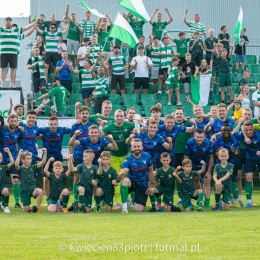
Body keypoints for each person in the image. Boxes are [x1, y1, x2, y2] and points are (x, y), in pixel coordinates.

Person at [101, 110, 135, 209]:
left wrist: (139, 124)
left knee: (127, 177)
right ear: (114, 117)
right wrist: (101, 126)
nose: (119, 118)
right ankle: (117, 202)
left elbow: (139, 129)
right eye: (117, 116)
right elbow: (101, 134)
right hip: (114, 156)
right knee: (116, 178)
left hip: (126, 155)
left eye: (121, 116)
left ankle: (128, 199)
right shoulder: (109, 126)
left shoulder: (129, 125)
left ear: (123, 117)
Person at [38, 116, 71, 205]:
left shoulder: (62, 130)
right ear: (48, 124)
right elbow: (32, 131)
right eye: (51, 124)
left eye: (54, 124)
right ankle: (48, 200)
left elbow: (73, 129)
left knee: (59, 179)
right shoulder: (44, 130)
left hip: (58, 157)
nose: (53, 126)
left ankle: (59, 199)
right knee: (46, 180)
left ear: (57, 124)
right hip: (46, 157)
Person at [0, 17, 39, 88]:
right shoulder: (1, 29)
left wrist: (35, 22)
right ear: (4, 23)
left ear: (11, 23)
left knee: (13, 69)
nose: (8, 22)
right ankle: (2, 84)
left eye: (9, 21)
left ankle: (12, 84)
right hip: (4, 52)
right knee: (3, 69)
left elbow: (26, 28)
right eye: (7, 21)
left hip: (14, 53)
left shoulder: (16, 30)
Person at [68, 106, 94, 211]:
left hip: (90, 155)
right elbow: (71, 141)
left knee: (92, 176)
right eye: (82, 113)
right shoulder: (75, 126)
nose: (84, 115)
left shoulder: (92, 126)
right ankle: (76, 200)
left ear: (89, 114)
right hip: (78, 154)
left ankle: (91, 201)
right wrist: (71, 154)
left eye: (86, 113)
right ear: (80, 114)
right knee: (76, 175)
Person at [118, 138, 153, 213]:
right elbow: (120, 178)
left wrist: (150, 185)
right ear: (131, 148)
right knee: (125, 180)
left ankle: (135, 201)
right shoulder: (128, 159)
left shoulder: (147, 156)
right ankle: (124, 208)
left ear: (142, 147)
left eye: (138, 146)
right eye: (134, 147)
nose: (137, 148)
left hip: (142, 184)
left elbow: (150, 170)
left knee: (139, 210)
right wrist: (121, 174)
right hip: (132, 183)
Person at [184, 129, 214, 208]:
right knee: (192, 183)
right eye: (197, 137)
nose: (199, 139)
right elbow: (186, 157)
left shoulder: (208, 143)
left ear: (204, 136)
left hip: (205, 165)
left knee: (207, 181)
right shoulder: (189, 143)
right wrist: (186, 169)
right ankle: (192, 202)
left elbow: (211, 158)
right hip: (192, 166)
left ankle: (207, 202)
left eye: (201, 137)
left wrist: (208, 171)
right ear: (194, 136)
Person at [212, 123, 240, 208]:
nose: (226, 132)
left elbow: (239, 154)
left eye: (228, 130)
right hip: (219, 163)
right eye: (224, 130)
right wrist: (218, 152)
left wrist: (234, 151)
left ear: (231, 131)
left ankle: (236, 201)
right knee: (218, 182)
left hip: (232, 162)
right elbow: (214, 153)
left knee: (233, 180)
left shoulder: (235, 139)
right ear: (221, 131)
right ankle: (218, 202)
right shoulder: (217, 139)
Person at [233, 121, 260, 208]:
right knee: (248, 178)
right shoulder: (241, 135)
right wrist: (214, 136)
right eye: (246, 130)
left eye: (250, 130)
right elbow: (232, 133)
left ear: (253, 129)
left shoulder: (258, 135)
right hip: (249, 158)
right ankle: (249, 201)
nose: (248, 132)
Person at [15, 148, 47, 213]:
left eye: (30, 158)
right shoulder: (20, 169)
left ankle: (37, 208)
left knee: (40, 191)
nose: (29, 160)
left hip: (33, 189)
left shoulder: (32, 167)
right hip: (25, 191)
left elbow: (43, 162)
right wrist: (19, 154)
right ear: (22, 160)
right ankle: (29, 208)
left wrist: (45, 153)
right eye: (27, 158)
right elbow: (16, 165)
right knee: (26, 210)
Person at [0, 114, 22, 207]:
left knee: (16, 180)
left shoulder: (19, 131)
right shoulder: (2, 130)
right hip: (1, 160)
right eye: (11, 121)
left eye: (15, 121)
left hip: (12, 159)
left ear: (17, 122)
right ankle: (2, 201)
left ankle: (17, 202)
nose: (13, 123)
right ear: (8, 121)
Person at [0, 147, 14, 213]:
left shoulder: (3, 167)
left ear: (1, 159)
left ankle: (5, 206)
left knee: (6, 190)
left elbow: (12, 162)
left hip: (1, 188)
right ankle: (1, 202)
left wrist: (8, 152)